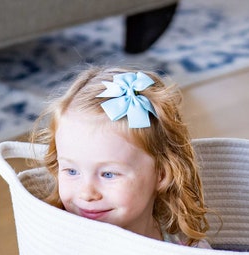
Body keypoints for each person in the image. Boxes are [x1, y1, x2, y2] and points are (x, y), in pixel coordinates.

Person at [33, 67, 212, 245]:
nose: (87, 193)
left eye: (108, 174)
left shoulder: (186, 251)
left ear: (161, 174)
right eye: (71, 171)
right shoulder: (57, 246)